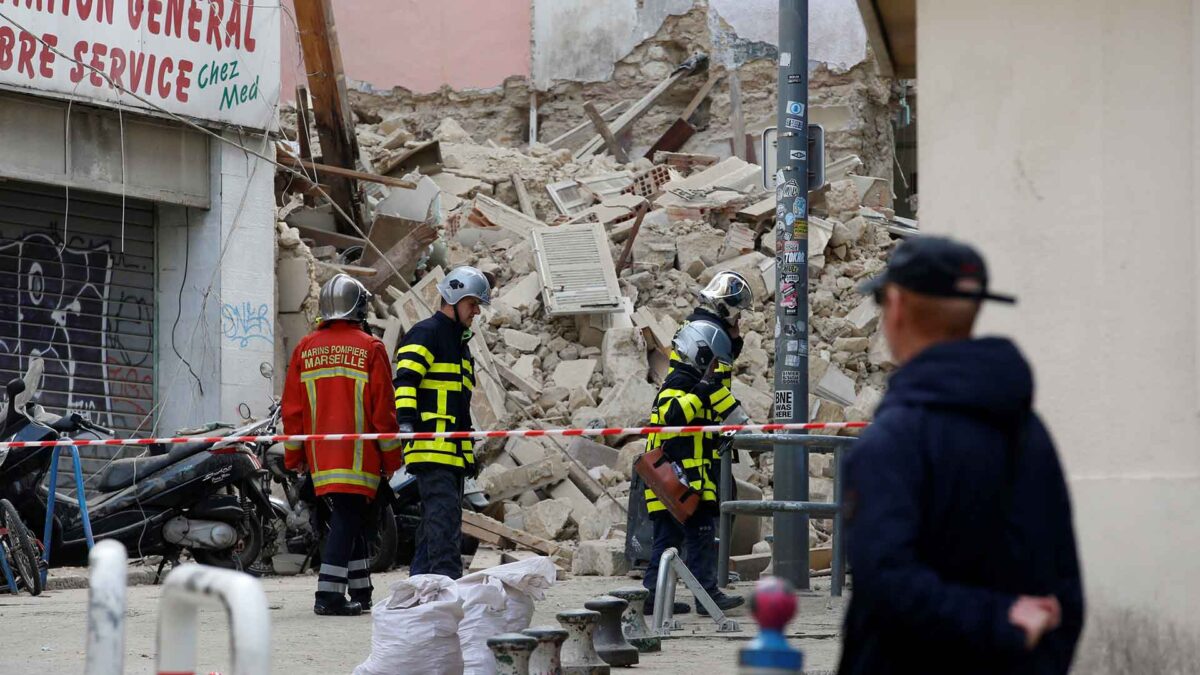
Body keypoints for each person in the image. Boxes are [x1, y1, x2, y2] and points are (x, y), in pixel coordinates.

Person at [838, 236, 1084, 674]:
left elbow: (887, 585)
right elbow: (1063, 596)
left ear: (895, 305)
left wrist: (999, 621)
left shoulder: (891, 443)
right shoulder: (1029, 430)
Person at [282, 274, 403, 616]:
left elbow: (293, 410)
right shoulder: (370, 347)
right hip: (360, 456)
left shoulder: (306, 348)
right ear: (359, 307)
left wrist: (296, 457)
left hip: (321, 458)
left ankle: (361, 591)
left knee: (353, 519)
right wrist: (392, 458)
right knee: (351, 517)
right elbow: (384, 411)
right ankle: (329, 596)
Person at [641, 319, 748, 616]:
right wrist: (703, 388)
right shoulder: (678, 383)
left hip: (684, 482)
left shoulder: (702, 383)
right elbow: (673, 416)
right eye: (714, 360)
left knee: (672, 541)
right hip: (677, 482)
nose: (716, 366)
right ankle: (705, 597)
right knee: (695, 538)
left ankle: (655, 596)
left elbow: (735, 416)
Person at [393, 265, 492, 579]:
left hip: (451, 451)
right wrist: (407, 423)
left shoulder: (459, 345)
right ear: (454, 296)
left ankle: (420, 583)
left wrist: (467, 454)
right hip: (430, 447)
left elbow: (458, 407)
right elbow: (405, 380)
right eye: (472, 303)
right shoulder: (427, 333)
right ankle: (447, 584)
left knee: (436, 522)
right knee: (444, 520)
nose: (476, 311)